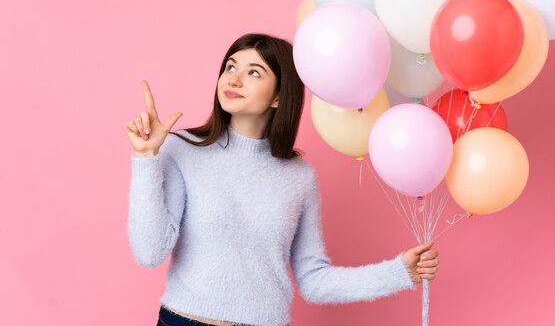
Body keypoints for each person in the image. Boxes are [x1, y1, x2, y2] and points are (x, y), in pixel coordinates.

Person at [125, 33, 440, 326]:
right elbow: (149, 252)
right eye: (230, 66)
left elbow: (314, 280)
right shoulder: (181, 150)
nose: (233, 78)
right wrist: (145, 159)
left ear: (279, 96)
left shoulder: (299, 177)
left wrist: (399, 273)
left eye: (254, 72)